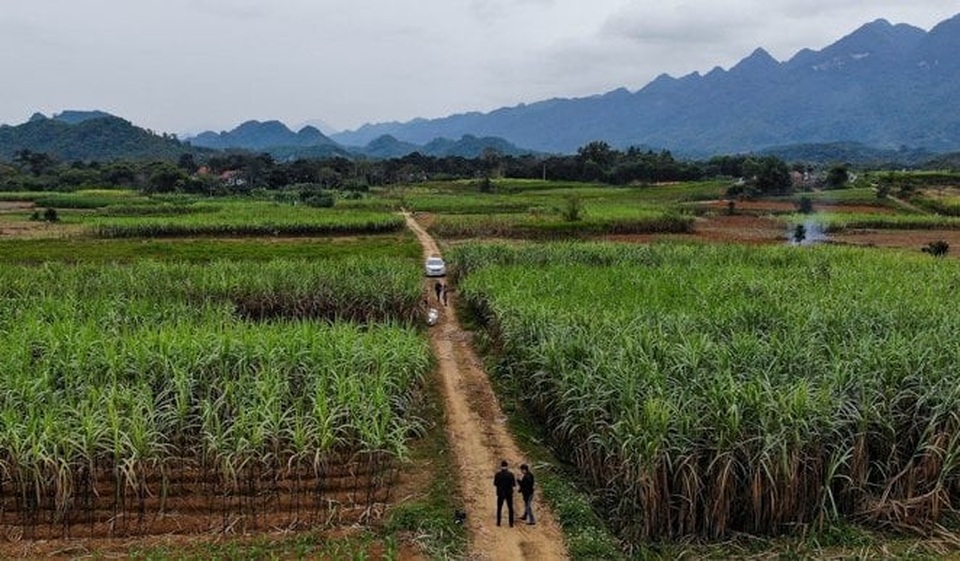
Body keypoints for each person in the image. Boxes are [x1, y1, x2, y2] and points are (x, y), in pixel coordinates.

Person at [493, 460, 517, 527]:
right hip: (509, 493)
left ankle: (498, 523)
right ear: (507, 466)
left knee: (499, 508)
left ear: (501, 466)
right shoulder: (511, 474)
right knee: (510, 508)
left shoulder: (498, 474)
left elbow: (495, 483)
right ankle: (511, 523)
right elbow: (514, 485)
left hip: (500, 493)